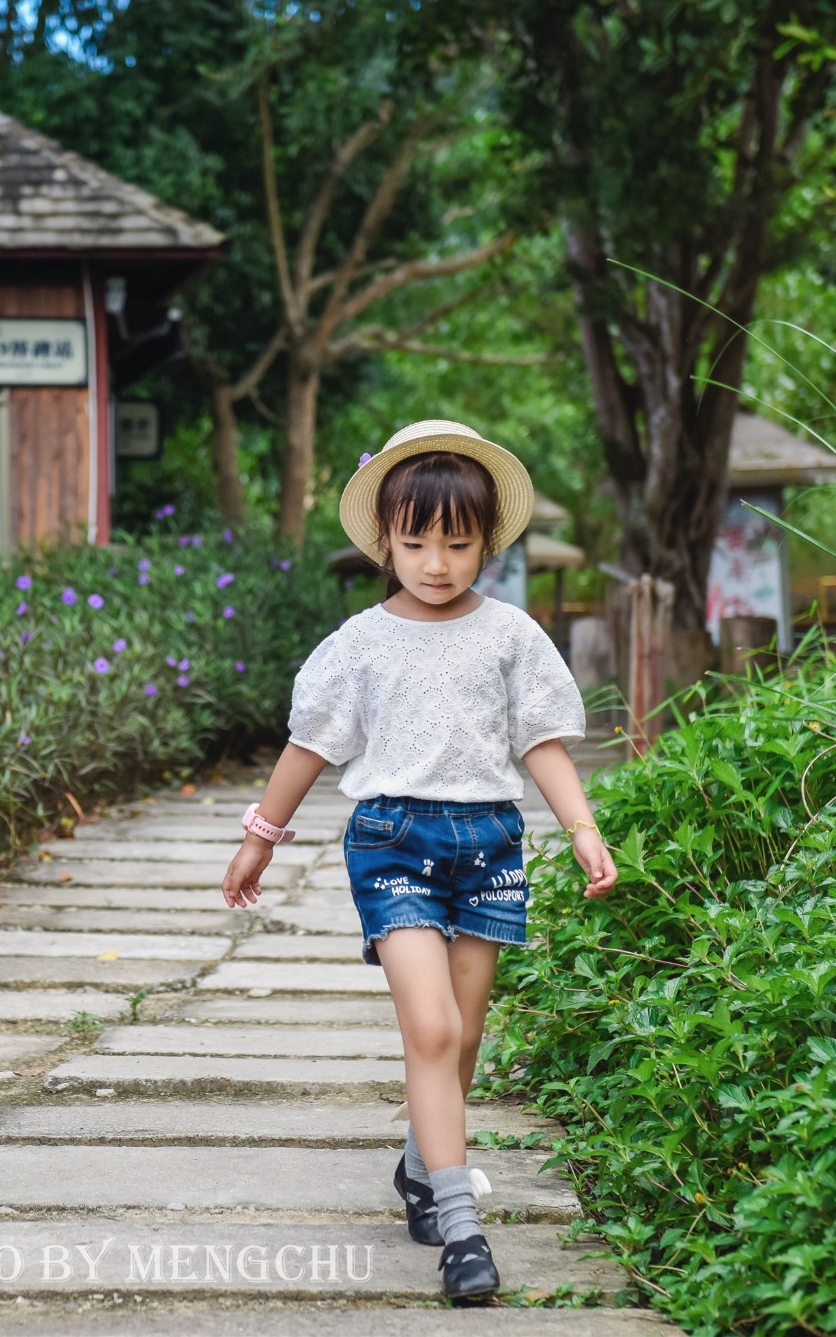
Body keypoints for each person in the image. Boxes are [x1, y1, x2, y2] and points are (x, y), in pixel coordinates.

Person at [220, 420, 619, 1302]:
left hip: (489, 845)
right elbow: (308, 745)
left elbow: (542, 742)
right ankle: (462, 1230)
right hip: (392, 841)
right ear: (384, 542)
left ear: (486, 542)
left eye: (457, 542)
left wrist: (582, 827)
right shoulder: (361, 642)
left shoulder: (512, 635)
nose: (435, 561)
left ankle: (417, 1167)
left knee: (465, 1037)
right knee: (431, 1029)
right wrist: (262, 835)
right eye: (415, 541)